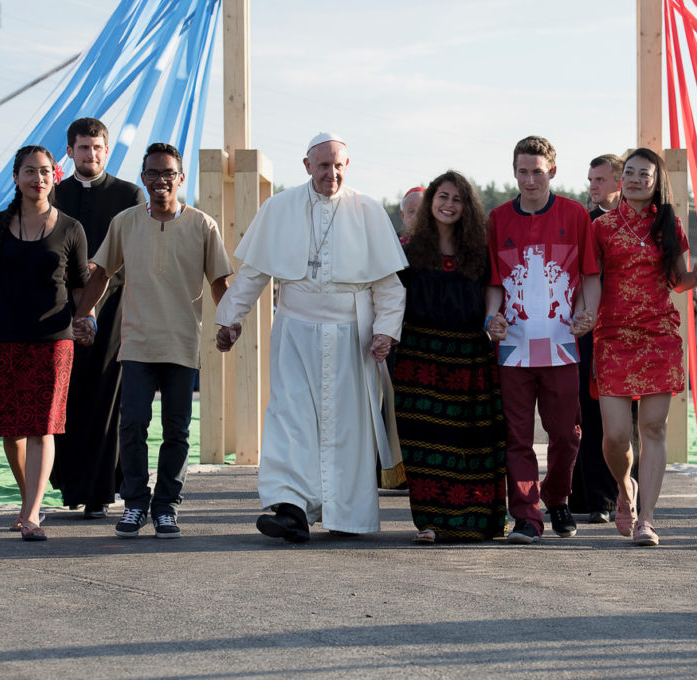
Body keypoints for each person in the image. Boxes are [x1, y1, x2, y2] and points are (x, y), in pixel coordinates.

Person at [215, 132, 407, 543]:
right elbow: (252, 274)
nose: (331, 173)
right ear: (307, 166)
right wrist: (230, 319)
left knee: (347, 427)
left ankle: (346, 515)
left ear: (347, 166)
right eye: (323, 166)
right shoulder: (279, 208)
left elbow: (389, 287)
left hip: (351, 335)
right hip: (295, 330)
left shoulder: (368, 211)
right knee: (291, 419)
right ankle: (290, 509)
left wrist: (385, 332)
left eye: (338, 166)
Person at [72, 142, 232, 539]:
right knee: (133, 426)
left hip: (181, 343)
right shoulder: (125, 221)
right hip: (138, 342)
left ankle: (166, 507)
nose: (160, 181)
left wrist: (229, 322)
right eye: (152, 174)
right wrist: (84, 313)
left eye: (168, 174)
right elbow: (101, 273)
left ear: (180, 179)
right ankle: (135, 505)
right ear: (143, 179)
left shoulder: (202, 225)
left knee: (177, 430)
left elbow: (219, 282)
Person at [0, 145, 91, 541]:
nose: (39, 179)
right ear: (15, 178)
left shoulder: (71, 228)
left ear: (55, 175)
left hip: (53, 342)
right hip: (2, 339)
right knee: (10, 431)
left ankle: (32, 513)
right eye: (30, 172)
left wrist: (89, 321)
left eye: (45, 172)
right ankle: (28, 499)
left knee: (41, 427)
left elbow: (81, 289)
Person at [588, 148, 697, 547]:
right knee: (615, 437)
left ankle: (647, 519)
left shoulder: (669, 226)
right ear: (622, 180)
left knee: (653, 428)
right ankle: (625, 490)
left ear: (658, 182)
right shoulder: (601, 227)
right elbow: (590, 279)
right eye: (633, 173)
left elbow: (679, 281)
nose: (639, 179)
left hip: (658, 336)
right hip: (612, 337)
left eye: (647, 174)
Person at [484, 135, 600, 544]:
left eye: (537, 171)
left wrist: (590, 315)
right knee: (517, 438)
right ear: (514, 172)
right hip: (513, 348)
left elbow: (589, 274)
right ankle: (526, 516)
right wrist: (490, 318)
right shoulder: (498, 219)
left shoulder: (574, 214)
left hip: (562, 344)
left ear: (552, 169)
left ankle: (556, 495)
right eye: (522, 171)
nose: (529, 179)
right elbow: (495, 281)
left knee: (566, 434)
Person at [394, 171, 506, 544]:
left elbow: (493, 290)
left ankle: (474, 521)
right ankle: (428, 522)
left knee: (471, 440)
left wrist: (491, 319)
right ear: (430, 203)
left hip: (468, 356)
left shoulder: (478, 251)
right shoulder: (408, 251)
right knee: (423, 442)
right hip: (418, 358)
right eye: (443, 197)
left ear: (468, 207)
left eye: (457, 199)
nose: (449, 205)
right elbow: (390, 299)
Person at [50, 117, 146, 520]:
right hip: (60, 313)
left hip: (113, 312)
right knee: (64, 397)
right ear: (70, 151)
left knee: (107, 399)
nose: (91, 154)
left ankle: (100, 491)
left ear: (107, 150)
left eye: (98, 147)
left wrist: (97, 280)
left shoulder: (129, 194)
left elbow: (138, 252)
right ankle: (69, 484)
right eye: (83, 148)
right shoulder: (51, 194)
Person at [570, 153, 625, 524]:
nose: (592, 187)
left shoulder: (636, 225)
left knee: (623, 420)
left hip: (627, 331)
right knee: (587, 413)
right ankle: (591, 497)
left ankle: (621, 493)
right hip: (589, 332)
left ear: (620, 183)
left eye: (600, 180)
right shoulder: (584, 223)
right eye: (590, 180)